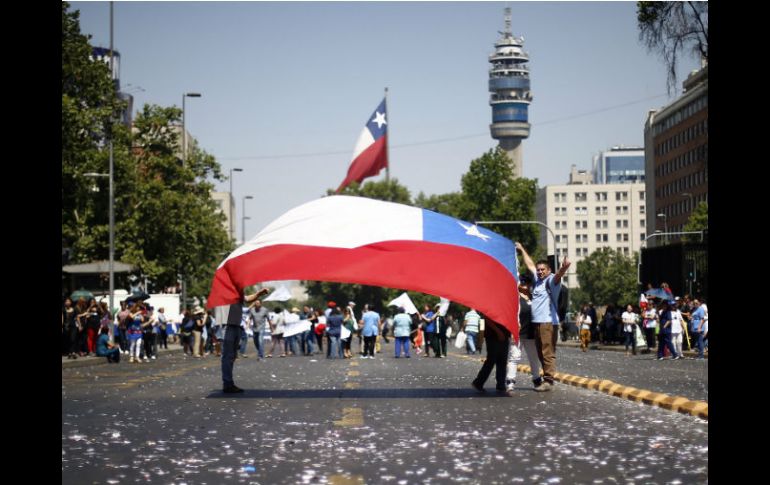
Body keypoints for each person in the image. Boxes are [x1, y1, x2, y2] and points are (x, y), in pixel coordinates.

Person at [515, 242, 570, 392]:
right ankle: (546, 378)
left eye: (542, 270)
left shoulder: (551, 281)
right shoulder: (538, 281)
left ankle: (549, 381)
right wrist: (522, 249)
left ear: (548, 270)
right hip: (537, 323)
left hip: (547, 322)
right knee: (540, 352)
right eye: (538, 270)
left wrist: (563, 268)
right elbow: (530, 263)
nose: (539, 272)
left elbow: (558, 276)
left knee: (547, 352)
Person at [220, 288, 270, 393]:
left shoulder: (237, 291)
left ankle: (229, 383)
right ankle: (227, 384)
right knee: (228, 356)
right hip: (227, 325)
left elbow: (247, 299)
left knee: (232, 356)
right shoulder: (225, 289)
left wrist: (259, 294)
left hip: (236, 325)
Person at [506, 281, 543, 392]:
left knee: (534, 358)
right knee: (514, 357)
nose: (525, 285)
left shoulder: (533, 297)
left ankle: (537, 380)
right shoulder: (514, 298)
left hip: (531, 333)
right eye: (522, 282)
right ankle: (510, 382)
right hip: (518, 333)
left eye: (527, 282)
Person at [472, 316, 511, 396]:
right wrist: (498, 331)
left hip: (504, 334)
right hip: (493, 335)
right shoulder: (492, 305)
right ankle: (478, 382)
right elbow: (487, 319)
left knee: (502, 360)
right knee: (491, 360)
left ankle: (501, 385)